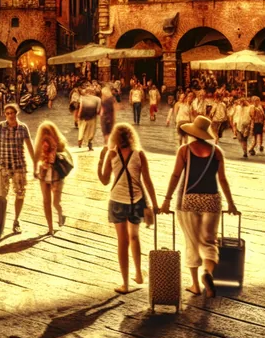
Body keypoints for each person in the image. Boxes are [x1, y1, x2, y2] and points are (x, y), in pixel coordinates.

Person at [160, 116, 239, 298]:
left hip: (188, 200)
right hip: (212, 199)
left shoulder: (185, 151)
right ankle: (208, 273)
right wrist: (231, 203)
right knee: (209, 241)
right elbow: (222, 179)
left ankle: (195, 285)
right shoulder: (216, 151)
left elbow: (175, 176)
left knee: (192, 242)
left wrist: (166, 200)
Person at [98, 123, 158, 294]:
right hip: (136, 200)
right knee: (134, 237)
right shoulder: (139, 155)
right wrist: (154, 204)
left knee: (122, 242)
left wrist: (101, 159)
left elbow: (104, 180)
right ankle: (138, 274)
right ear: (131, 137)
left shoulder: (112, 154)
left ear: (115, 138)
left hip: (117, 201)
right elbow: (147, 181)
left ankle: (125, 283)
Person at [0, 104, 35, 234]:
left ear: (16, 113)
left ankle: (16, 220)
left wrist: (36, 165)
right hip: (3, 166)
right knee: (2, 196)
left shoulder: (23, 128)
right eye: (7, 113)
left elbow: (30, 148)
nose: (10, 115)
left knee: (20, 194)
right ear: (5, 114)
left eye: (12, 113)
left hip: (19, 166)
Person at [33, 121, 71, 236]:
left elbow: (65, 155)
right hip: (44, 172)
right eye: (44, 131)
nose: (45, 134)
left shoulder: (59, 143)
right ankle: (50, 228)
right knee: (46, 201)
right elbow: (36, 156)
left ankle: (60, 214)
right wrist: (35, 169)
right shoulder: (40, 143)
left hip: (56, 173)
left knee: (56, 202)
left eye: (48, 131)